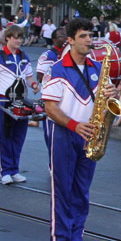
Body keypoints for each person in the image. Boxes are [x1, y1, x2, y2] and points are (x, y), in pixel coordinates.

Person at [41, 17, 117, 241]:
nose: (89, 40)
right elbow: (50, 107)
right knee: (62, 189)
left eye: (91, 35)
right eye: (84, 36)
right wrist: (74, 125)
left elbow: (106, 105)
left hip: (91, 134)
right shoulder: (58, 69)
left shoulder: (97, 68)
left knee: (81, 192)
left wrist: (111, 96)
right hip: (65, 134)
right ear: (70, 40)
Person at [0, 25, 38, 184]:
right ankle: (4, 171)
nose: (19, 41)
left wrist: (34, 85)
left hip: (21, 101)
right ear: (8, 38)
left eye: (21, 38)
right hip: (4, 101)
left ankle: (14, 169)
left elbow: (28, 77)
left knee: (18, 137)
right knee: (3, 137)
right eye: (16, 38)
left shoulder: (24, 56)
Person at [36, 27, 68, 159]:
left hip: (67, 98)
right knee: (51, 135)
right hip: (52, 98)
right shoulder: (49, 55)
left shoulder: (71, 54)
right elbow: (39, 76)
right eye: (62, 36)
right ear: (54, 40)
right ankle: (53, 164)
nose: (65, 37)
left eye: (66, 35)